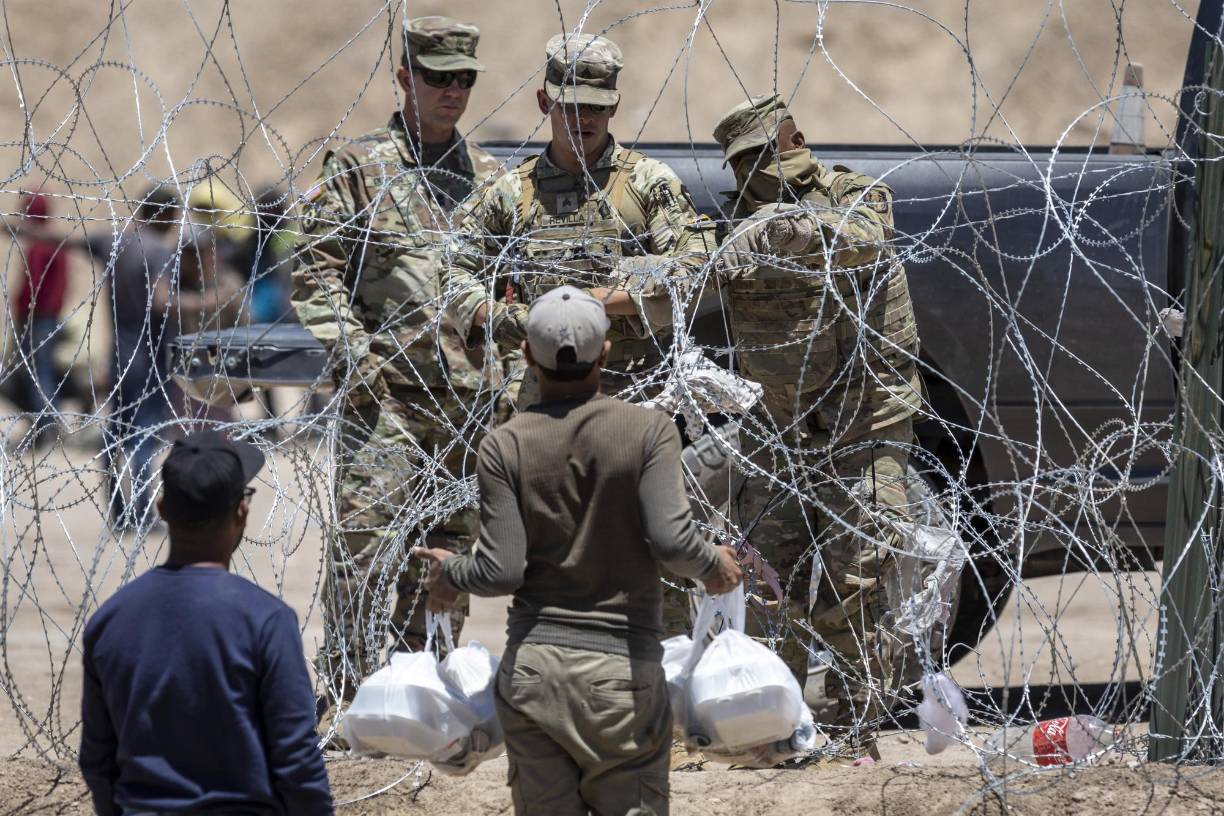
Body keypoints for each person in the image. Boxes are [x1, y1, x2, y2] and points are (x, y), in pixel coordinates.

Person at [415, 286, 741, 816]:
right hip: (621, 679)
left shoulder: (505, 443)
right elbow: (672, 541)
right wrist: (715, 566)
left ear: (525, 355)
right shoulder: (648, 430)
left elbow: (500, 570)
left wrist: (453, 570)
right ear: (606, 352)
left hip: (533, 678)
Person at [291, 15, 503, 713]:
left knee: (446, 560)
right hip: (387, 403)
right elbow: (315, 272)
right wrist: (358, 365)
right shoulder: (360, 168)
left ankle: (428, 691)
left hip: (466, 408)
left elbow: (509, 289)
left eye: (464, 79)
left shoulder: (489, 180)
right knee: (365, 552)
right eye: (438, 77)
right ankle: (351, 695)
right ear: (406, 77)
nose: (453, 92)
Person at [710, 94, 924, 758]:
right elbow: (691, 276)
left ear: (795, 141)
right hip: (777, 435)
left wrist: (776, 231)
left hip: (864, 426)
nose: (754, 177)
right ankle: (777, 722)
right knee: (772, 579)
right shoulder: (728, 223)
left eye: (762, 158)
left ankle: (859, 726)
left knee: (859, 578)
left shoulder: (857, 195)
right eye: (742, 166)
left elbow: (861, 238)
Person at [442, 32, 717, 410]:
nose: (583, 118)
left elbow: (697, 269)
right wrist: (521, 320)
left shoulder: (648, 183)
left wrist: (594, 303)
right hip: (545, 394)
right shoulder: (511, 192)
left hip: (638, 391)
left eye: (596, 107)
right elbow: (455, 271)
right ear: (544, 101)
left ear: (614, 107)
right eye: (570, 106)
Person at [78, 430, 333, 815]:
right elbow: (297, 760)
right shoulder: (266, 621)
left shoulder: (110, 621)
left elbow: (98, 760)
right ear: (241, 512)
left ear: (161, 508)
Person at [90, 186, 182, 531]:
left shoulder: (116, 243)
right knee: (145, 436)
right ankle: (143, 513)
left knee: (115, 433)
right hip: (150, 357)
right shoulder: (159, 251)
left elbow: (60, 238)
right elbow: (161, 302)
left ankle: (118, 512)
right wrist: (209, 302)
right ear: (164, 215)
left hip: (120, 356)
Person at [11, 192, 70, 444]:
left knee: (38, 374)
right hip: (50, 316)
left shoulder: (38, 247)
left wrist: (20, 312)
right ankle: (47, 425)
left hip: (36, 320)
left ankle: (45, 427)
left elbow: (31, 287)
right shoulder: (56, 243)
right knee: (42, 372)